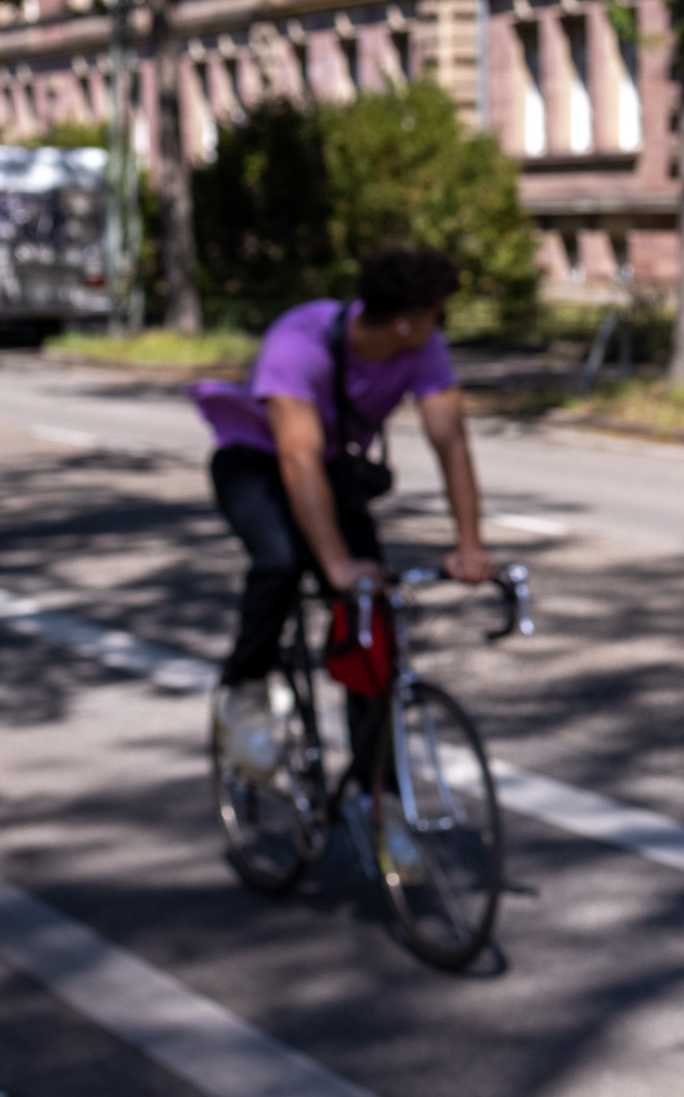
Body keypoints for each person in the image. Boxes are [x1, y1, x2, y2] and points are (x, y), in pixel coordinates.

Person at [192, 246, 491, 776]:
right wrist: (336, 566)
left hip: (331, 472)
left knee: (369, 616)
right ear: (404, 323)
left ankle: (376, 795)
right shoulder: (297, 342)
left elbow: (451, 442)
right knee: (281, 561)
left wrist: (469, 545)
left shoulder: (421, 346)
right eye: (438, 316)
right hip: (254, 465)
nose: (440, 326)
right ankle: (245, 687)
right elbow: (298, 457)